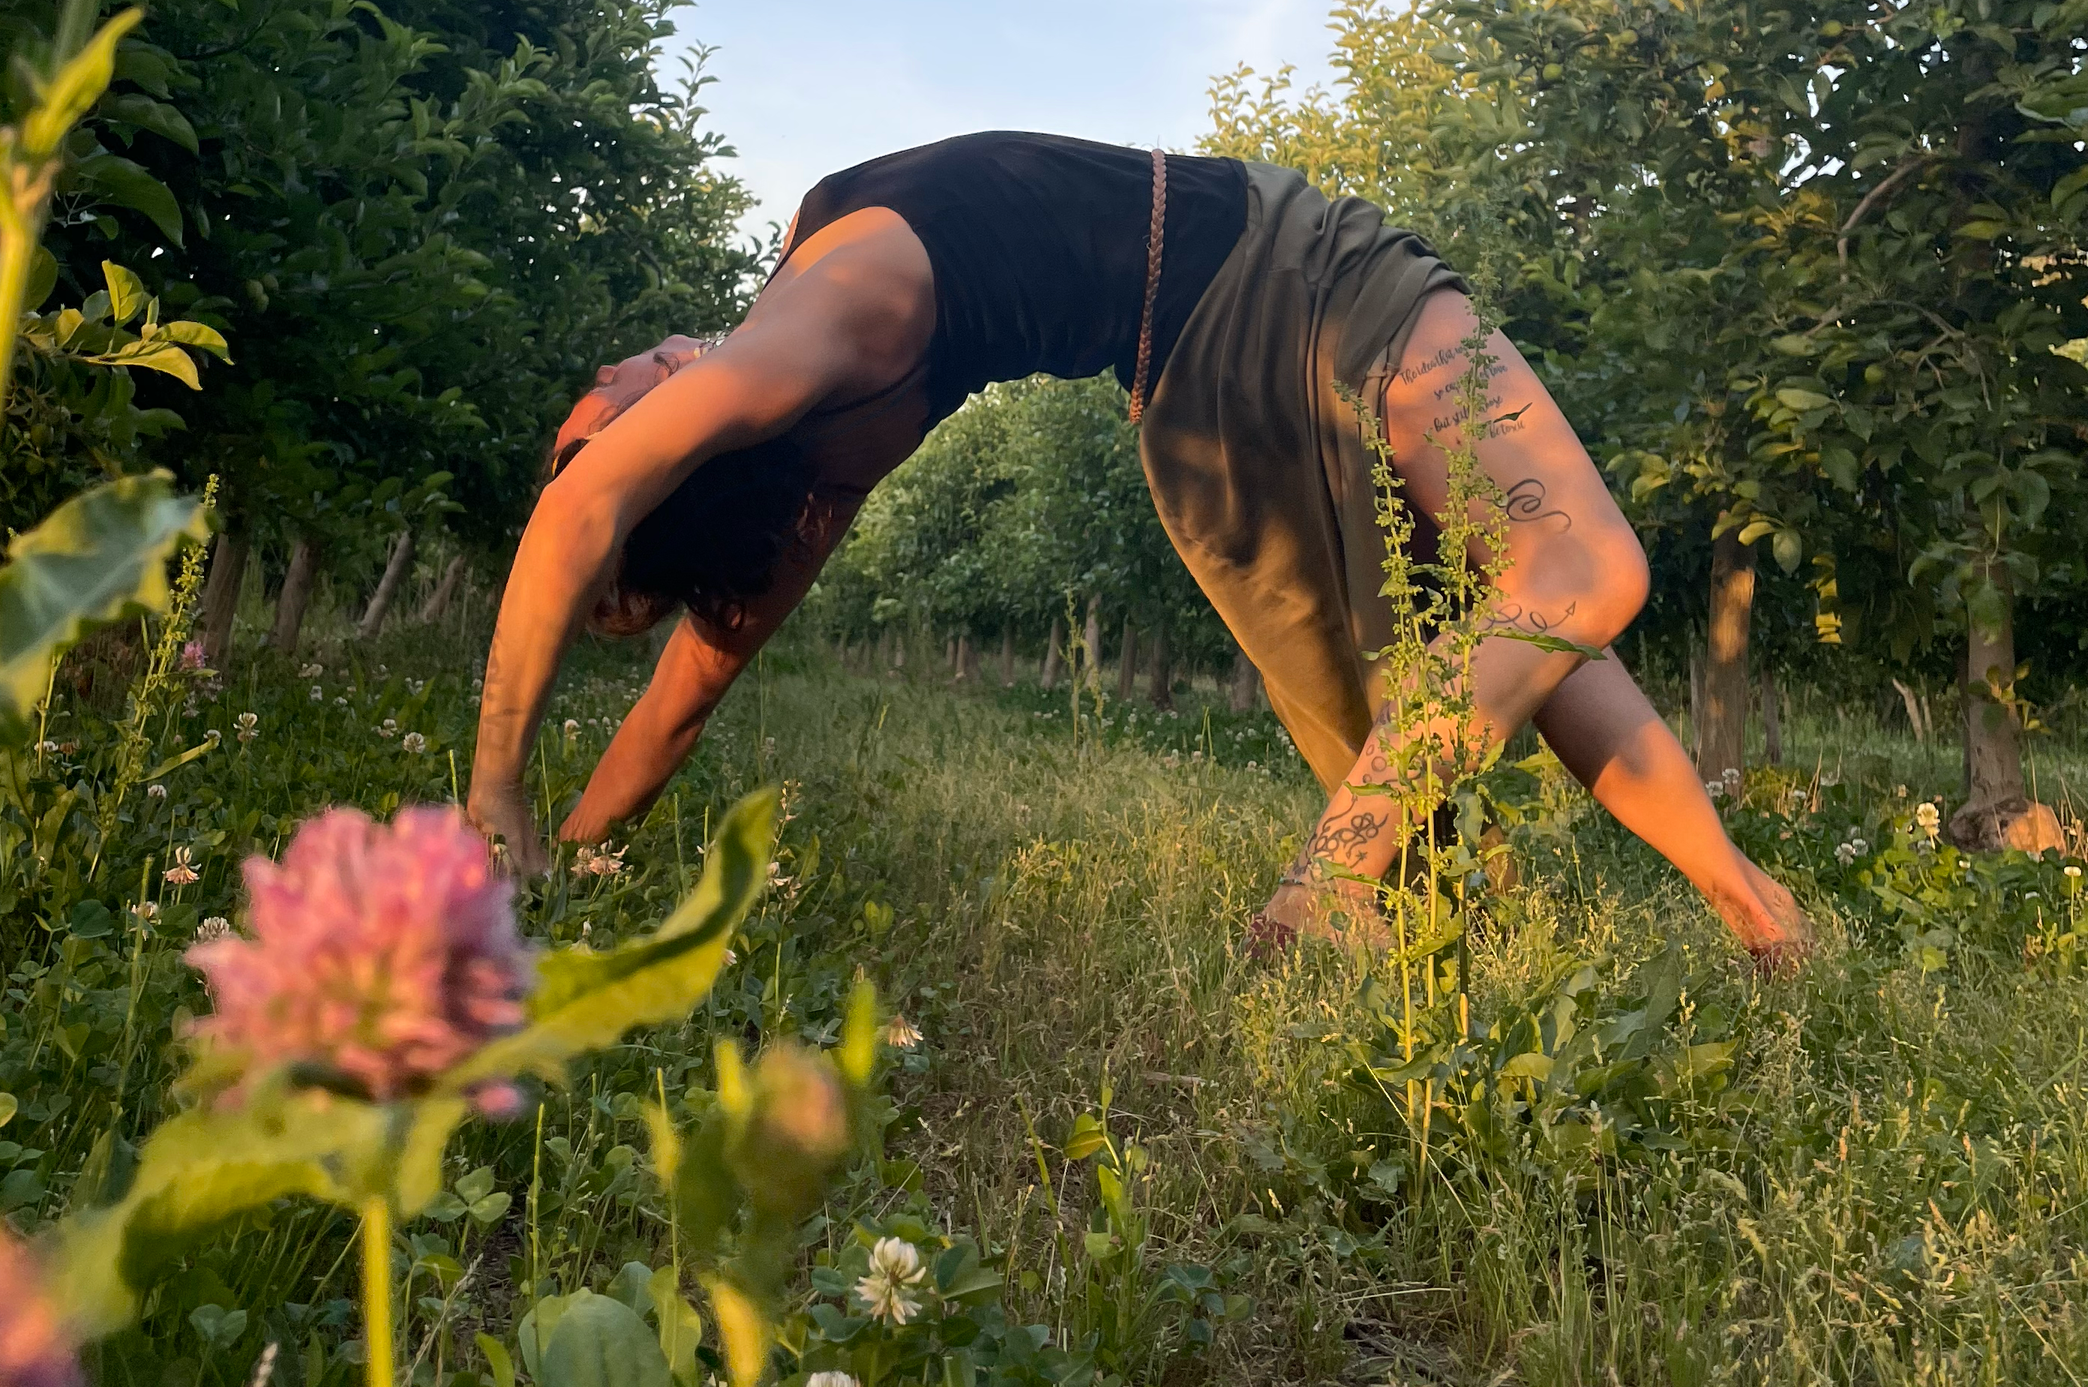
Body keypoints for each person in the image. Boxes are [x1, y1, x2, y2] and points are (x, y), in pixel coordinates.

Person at [465, 131, 1806, 961]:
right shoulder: (818, 322)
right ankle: (1333, 893)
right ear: (680, 452)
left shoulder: (818, 416)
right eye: (619, 395)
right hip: (1281, 285)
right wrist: (500, 802)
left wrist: (562, 866)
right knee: (1578, 577)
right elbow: (590, 524)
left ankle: (1763, 917)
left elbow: (672, 709)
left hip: (1211, 391)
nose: (617, 361)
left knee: (1521, 622)